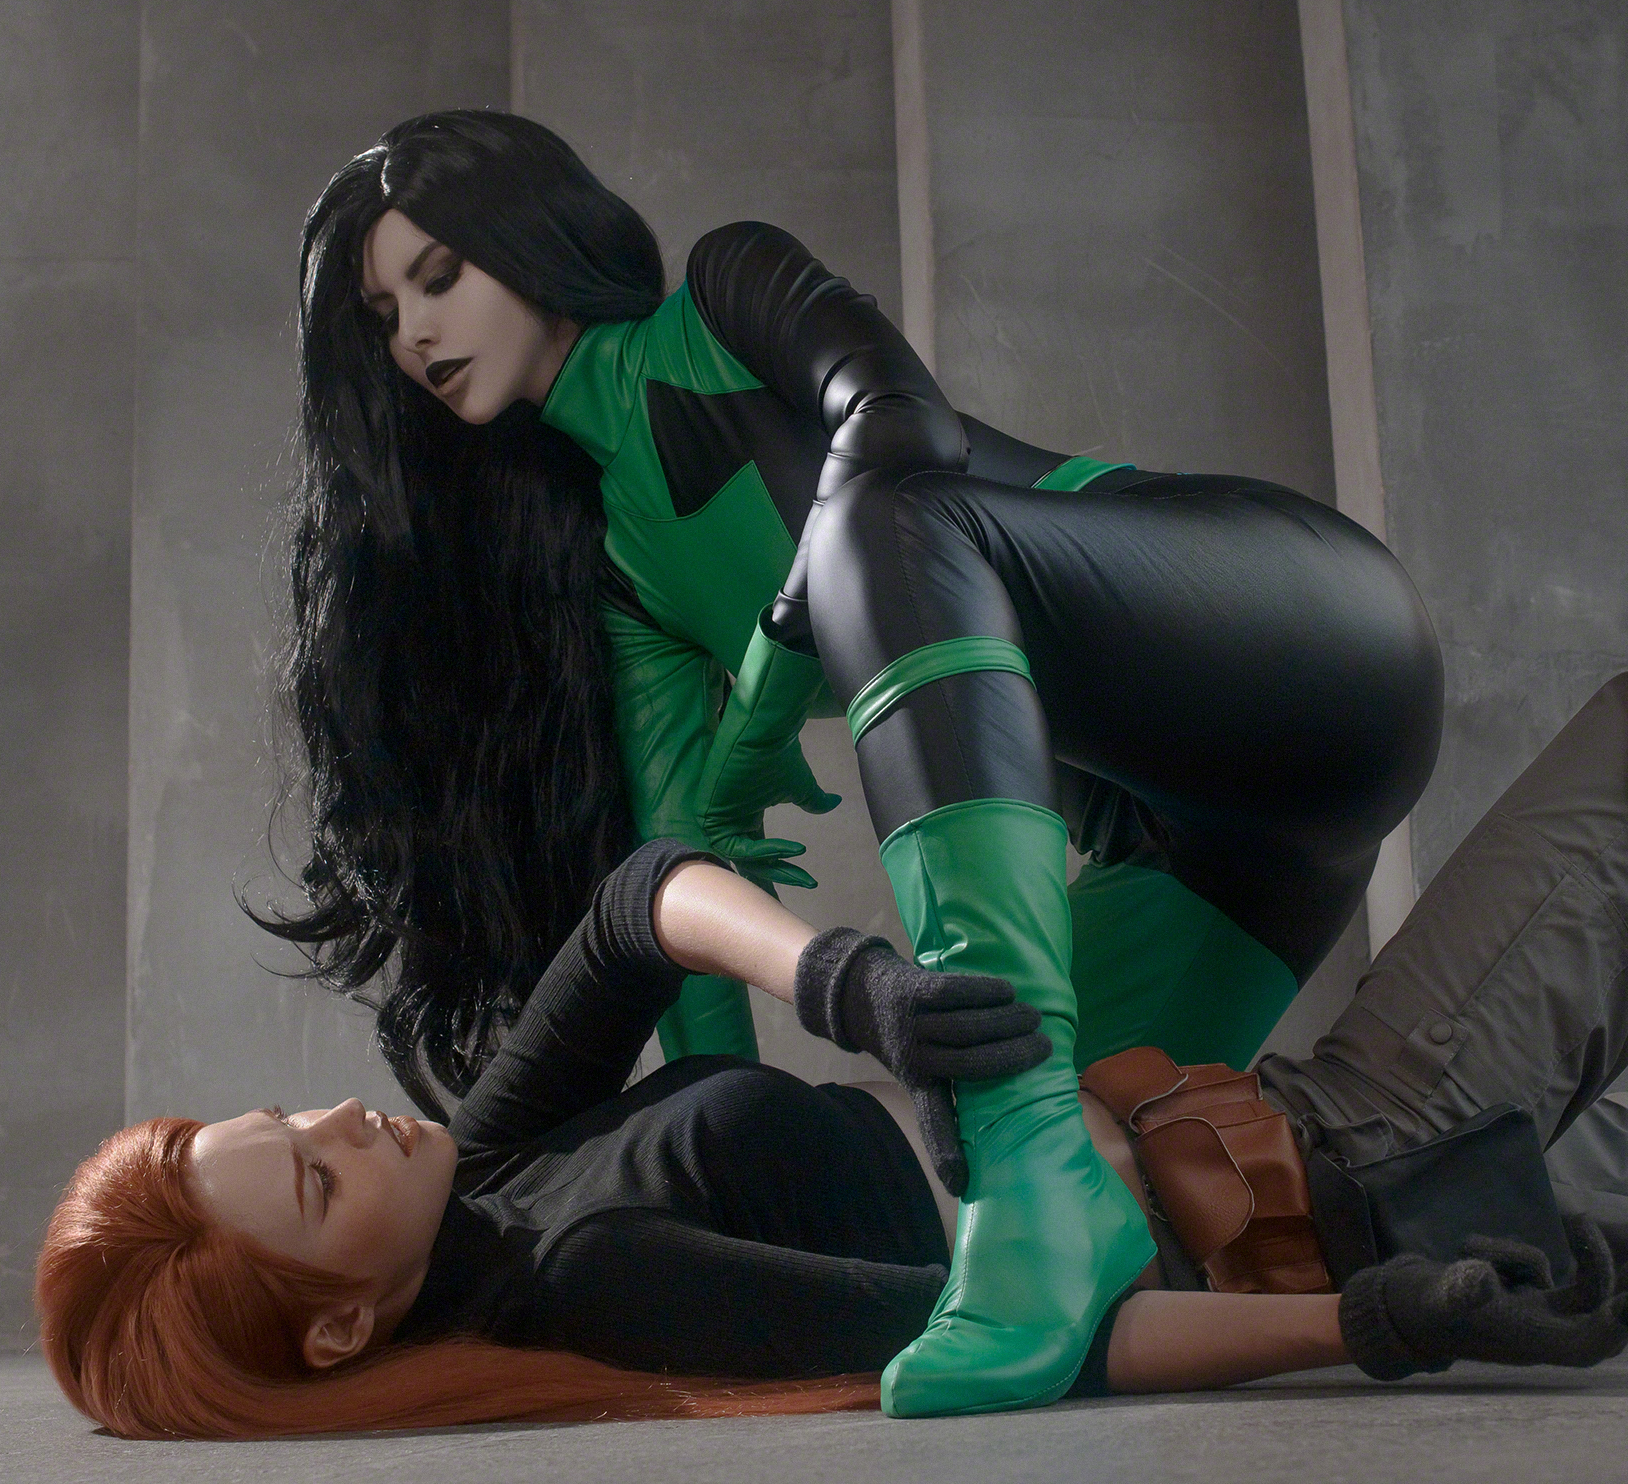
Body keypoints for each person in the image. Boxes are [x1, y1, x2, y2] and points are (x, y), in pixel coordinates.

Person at [264, 109, 1440, 1414]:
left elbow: (896, 433)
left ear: (530, 240)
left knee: (886, 522)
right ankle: (1473, 1264)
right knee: (1090, 1162)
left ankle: (1043, 1186)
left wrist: (767, 690)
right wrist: (735, 1119)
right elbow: (684, 874)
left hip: (1303, 640)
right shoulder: (624, 577)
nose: (415, 336)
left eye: (437, 279)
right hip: (1229, 856)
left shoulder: (723, 295)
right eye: (386, 317)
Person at [41, 839, 1628, 1439]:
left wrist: (839, 982)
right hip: (1311, 1192)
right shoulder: (593, 1279)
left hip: (1227, 1123)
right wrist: (1368, 1324)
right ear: (340, 1327)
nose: (343, 1119)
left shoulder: (488, 1168)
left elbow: (636, 908)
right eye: (313, 1175)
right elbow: (1026, 1335)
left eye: (286, 1115)